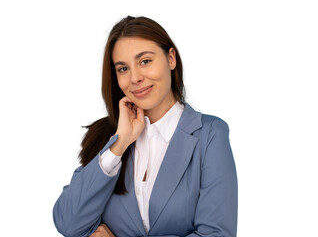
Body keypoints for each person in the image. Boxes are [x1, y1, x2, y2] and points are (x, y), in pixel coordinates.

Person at [53, 15, 238, 237]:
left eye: (145, 61)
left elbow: (217, 234)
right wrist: (119, 144)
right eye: (123, 69)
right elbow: (68, 223)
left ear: (171, 59)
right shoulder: (108, 138)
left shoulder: (210, 134)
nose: (135, 78)